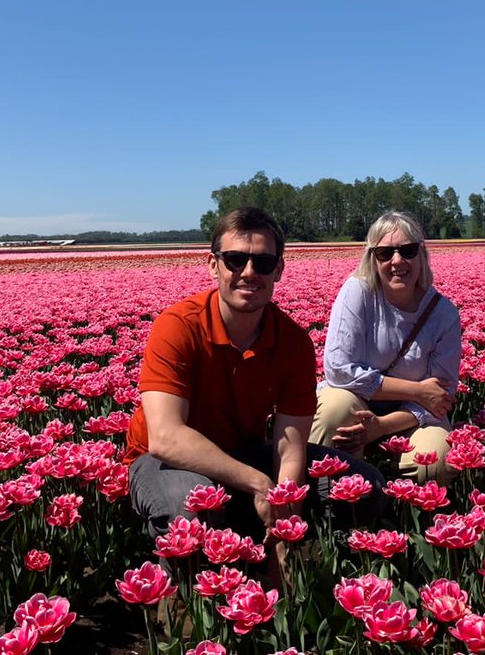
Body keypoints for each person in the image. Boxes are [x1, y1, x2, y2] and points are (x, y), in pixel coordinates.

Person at [124, 206, 384, 545]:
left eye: (262, 262)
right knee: (190, 508)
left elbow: (290, 448)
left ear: (278, 270)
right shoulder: (178, 326)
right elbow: (166, 438)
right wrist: (258, 484)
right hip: (165, 461)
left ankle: (297, 553)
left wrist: (284, 508)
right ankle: (184, 590)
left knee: (368, 485)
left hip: (242, 453)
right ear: (213, 264)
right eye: (234, 260)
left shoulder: (292, 342)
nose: (249, 272)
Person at [310, 211, 463, 484]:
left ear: (421, 255)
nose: (397, 261)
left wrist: (381, 427)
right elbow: (339, 371)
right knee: (334, 409)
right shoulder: (358, 291)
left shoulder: (444, 313)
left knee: (434, 461)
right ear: (372, 257)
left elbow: (440, 398)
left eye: (407, 250)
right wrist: (416, 390)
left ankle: (405, 516)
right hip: (356, 401)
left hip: (414, 416)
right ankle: (330, 502)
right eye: (385, 253)